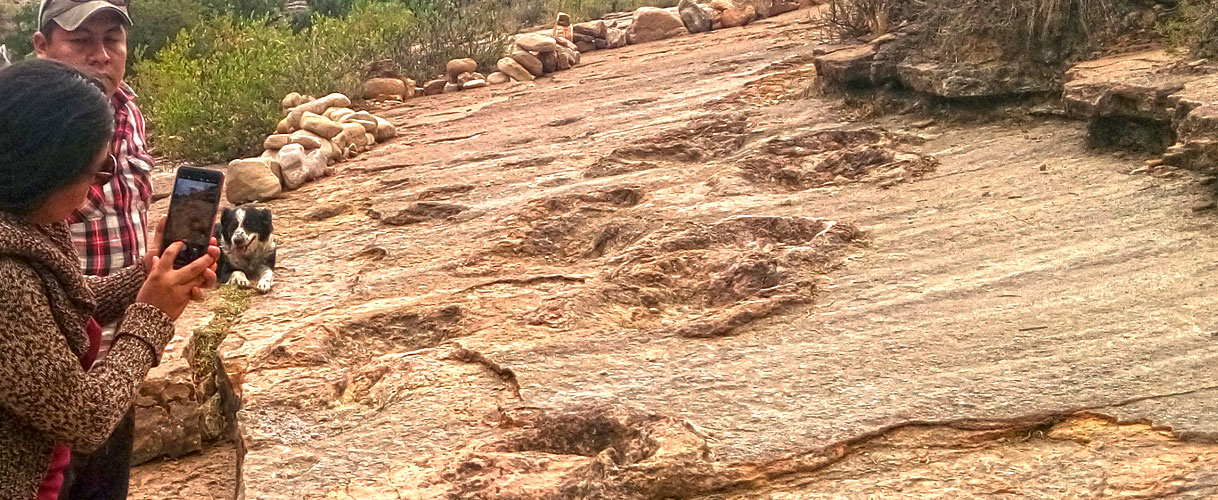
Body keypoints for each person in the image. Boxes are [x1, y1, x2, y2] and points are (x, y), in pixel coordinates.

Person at [0, 59, 218, 500]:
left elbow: (60, 302)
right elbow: (88, 417)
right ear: (47, 169)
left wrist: (145, 272)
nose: (97, 189)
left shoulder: (28, 219)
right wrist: (152, 317)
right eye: (95, 172)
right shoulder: (6, 280)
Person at [33, 0, 157, 497]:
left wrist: (153, 261)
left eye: (112, 40)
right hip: (46, 378)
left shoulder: (128, 111)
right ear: (42, 47)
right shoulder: (22, 129)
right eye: (81, 41)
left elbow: (125, 212)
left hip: (122, 362)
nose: (101, 55)